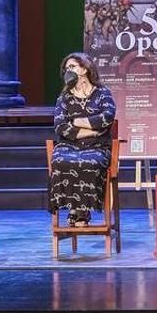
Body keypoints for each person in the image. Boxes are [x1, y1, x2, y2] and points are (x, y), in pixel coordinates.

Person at [47, 52, 117, 227]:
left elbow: (107, 117)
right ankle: (75, 207)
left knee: (89, 161)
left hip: (97, 146)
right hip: (69, 145)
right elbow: (61, 127)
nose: (67, 71)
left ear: (84, 69)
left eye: (72, 67)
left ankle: (81, 209)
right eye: (65, 69)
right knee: (60, 160)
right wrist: (93, 131)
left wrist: (78, 121)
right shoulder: (64, 98)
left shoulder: (102, 93)